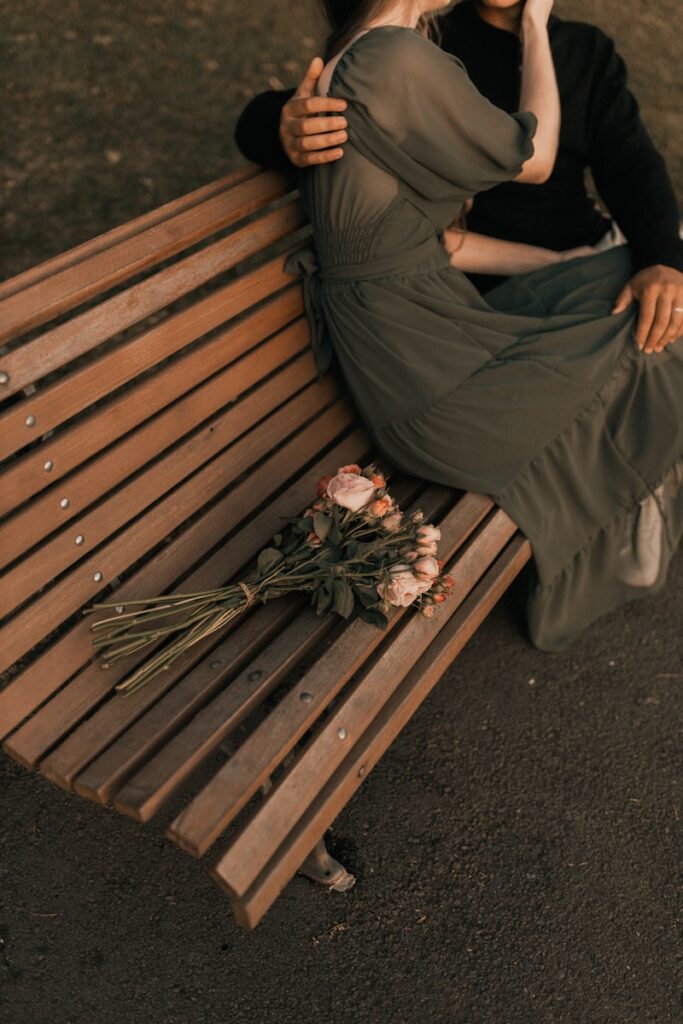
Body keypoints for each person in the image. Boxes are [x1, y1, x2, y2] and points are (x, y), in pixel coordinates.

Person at [245, 0, 683, 653]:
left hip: (441, 339)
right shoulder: (398, 53)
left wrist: (576, 262)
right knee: (648, 329)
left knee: (661, 285)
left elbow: (429, 238)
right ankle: (633, 504)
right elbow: (530, 157)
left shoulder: (412, 49)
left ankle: (638, 490)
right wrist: (269, 123)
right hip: (438, 374)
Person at [235, 0, 683, 355]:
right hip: (488, 282)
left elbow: (633, 168)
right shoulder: (428, 38)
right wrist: (283, 124)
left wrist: (661, 258)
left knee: (664, 310)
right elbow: (275, 112)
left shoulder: (585, 50)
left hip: (583, 252)